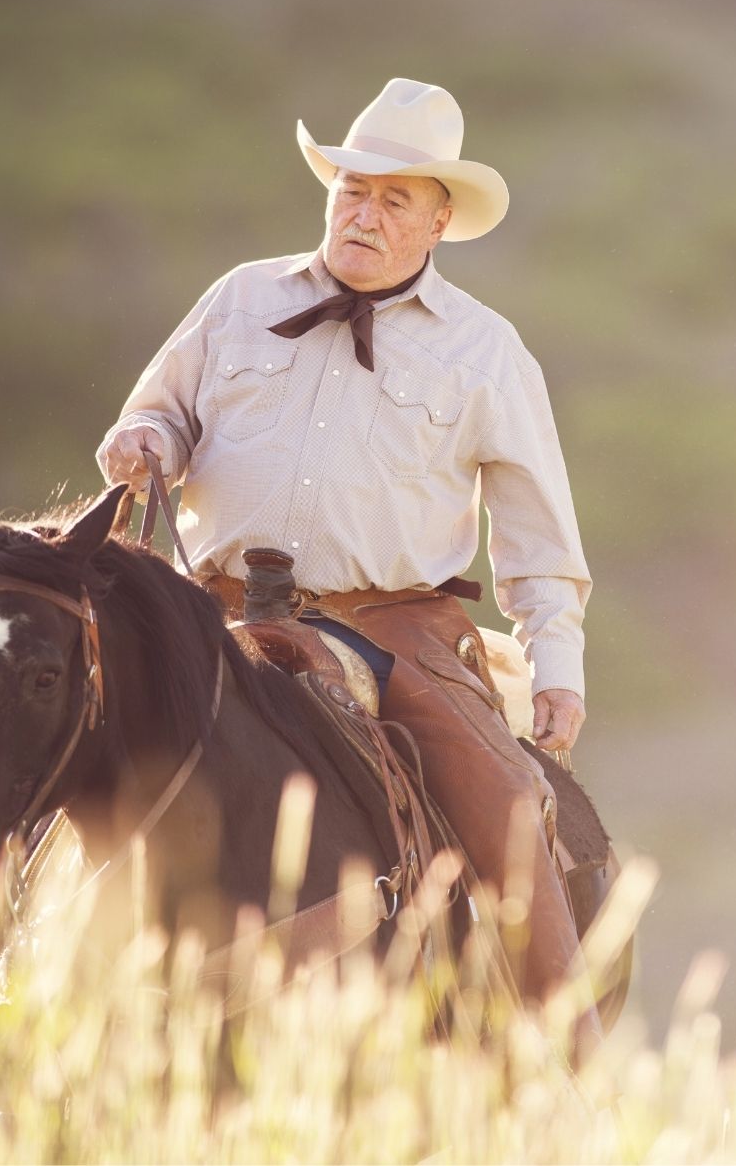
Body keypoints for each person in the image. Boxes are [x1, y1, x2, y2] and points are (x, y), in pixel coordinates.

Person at [95, 77, 595, 1041]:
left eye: (394, 200)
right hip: (217, 608)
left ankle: (562, 1052)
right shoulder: (240, 297)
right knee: (59, 720)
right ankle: (0, 973)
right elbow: (157, 410)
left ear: (439, 222)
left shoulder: (489, 354)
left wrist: (559, 667)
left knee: (500, 801)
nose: (364, 213)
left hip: (393, 627)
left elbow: (538, 534)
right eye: (352, 190)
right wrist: (142, 438)